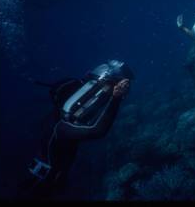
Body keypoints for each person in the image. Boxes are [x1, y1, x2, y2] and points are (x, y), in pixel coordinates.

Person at [19, 60, 133, 200]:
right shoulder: (62, 127)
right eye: (108, 87)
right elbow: (98, 131)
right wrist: (115, 99)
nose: (107, 94)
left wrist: (63, 174)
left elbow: (67, 155)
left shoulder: (67, 122)